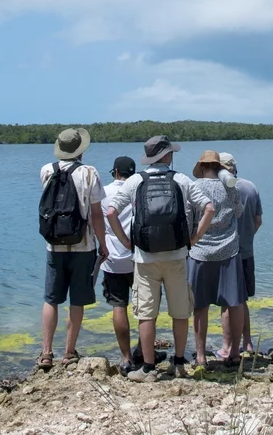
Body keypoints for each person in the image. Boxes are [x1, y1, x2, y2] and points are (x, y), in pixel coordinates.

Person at [106, 135, 215, 382]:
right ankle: (177, 363)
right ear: (167, 156)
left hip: (144, 257)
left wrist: (126, 242)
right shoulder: (180, 178)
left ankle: (147, 368)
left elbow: (111, 211)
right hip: (177, 254)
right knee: (179, 311)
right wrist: (194, 238)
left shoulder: (135, 180)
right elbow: (209, 208)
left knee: (146, 313)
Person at [37, 128, 108, 370]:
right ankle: (68, 351)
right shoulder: (90, 173)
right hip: (83, 245)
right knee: (76, 300)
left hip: (53, 246)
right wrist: (104, 244)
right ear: (81, 150)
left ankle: (46, 352)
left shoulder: (47, 170)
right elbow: (97, 215)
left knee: (51, 298)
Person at [188, 150, 245, 368]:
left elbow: (190, 216)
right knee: (234, 303)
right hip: (228, 251)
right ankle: (234, 353)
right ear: (219, 167)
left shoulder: (194, 187)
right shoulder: (231, 187)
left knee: (200, 306)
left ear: (202, 167)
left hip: (200, 252)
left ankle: (200, 355)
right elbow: (238, 212)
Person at [219, 151, 261, 359]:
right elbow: (258, 220)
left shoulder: (218, 187)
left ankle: (227, 345)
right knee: (242, 299)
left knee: (228, 303)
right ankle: (248, 342)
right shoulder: (250, 186)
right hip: (246, 250)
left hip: (225, 252)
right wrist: (247, 236)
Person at [102, 155, 139, 374]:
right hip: (137, 256)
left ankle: (126, 358)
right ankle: (144, 350)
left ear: (115, 171)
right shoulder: (138, 190)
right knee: (146, 305)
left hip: (113, 258)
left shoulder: (104, 192)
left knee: (119, 305)